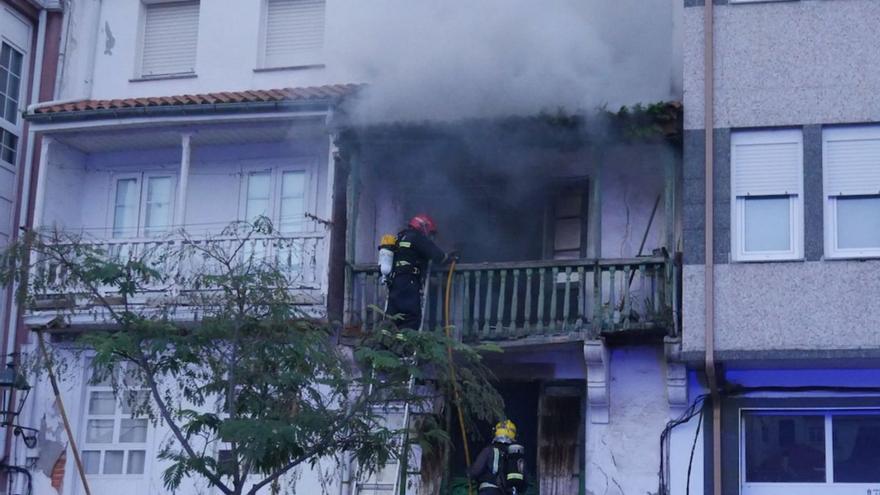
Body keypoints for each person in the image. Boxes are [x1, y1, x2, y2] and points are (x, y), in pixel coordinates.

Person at [386, 214, 457, 330]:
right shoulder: (417, 238)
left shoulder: (400, 237)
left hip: (394, 281)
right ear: (424, 227)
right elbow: (437, 256)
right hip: (409, 282)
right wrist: (449, 257)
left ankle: (388, 344)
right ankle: (405, 345)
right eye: (430, 233)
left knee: (394, 316)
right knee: (411, 316)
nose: (430, 236)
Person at [468, 420, 519, 495]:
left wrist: (468, 472)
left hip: (488, 491)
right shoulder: (515, 455)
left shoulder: (488, 450)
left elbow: (475, 471)